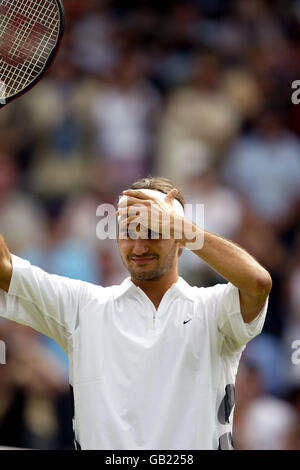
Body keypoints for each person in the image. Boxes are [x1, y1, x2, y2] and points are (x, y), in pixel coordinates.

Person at [0, 176, 272, 450]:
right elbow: (4, 269)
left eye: (154, 231)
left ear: (180, 240)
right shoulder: (83, 306)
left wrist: (179, 225)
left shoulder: (213, 308)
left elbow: (258, 283)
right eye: (128, 232)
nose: (139, 246)